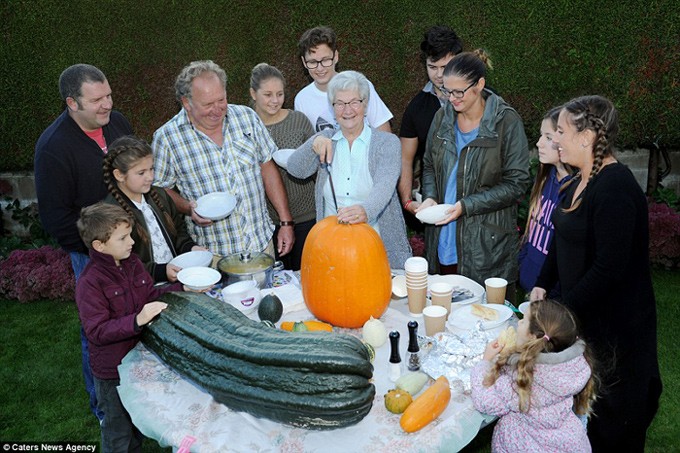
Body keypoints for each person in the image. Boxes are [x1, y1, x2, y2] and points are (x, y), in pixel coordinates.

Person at [530, 95, 662, 451]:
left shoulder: (616, 188)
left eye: (561, 131)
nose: (555, 139)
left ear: (586, 137)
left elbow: (608, 269)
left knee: (614, 428)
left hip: (617, 336)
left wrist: (562, 312)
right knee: (587, 419)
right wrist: (543, 283)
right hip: (587, 326)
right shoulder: (576, 182)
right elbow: (561, 240)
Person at [34, 63, 133, 421]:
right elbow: (55, 218)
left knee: (137, 315)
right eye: (97, 100)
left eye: (108, 95)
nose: (107, 104)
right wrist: (99, 244)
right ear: (72, 103)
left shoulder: (118, 123)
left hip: (131, 243)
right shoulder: (53, 148)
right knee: (99, 329)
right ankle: (105, 407)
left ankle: (142, 395)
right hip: (92, 256)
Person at [417, 50, 531, 301]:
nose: (452, 99)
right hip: (442, 240)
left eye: (459, 92)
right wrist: (431, 197)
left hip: (486, 247)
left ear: (480, 84)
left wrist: (466, 206)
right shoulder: (442, 116)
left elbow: (517, 183)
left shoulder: (506, 122)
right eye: (447, 91)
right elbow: (428, 165)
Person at [152, 60, 294, 258]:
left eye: (221, 100)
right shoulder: (167, 138)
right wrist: (188, 207)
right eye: (208, 104)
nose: (217, 109)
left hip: (261, 243)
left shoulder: (246, 118)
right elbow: (159, 188)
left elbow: (267, 167)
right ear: (186, 102)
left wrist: (286, 222)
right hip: (212, 254)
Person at [75, 202, 185, 452]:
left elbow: (149, 294)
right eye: (123, 238)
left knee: (139, 423)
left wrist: (183, 288)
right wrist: (137, 320)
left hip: (140, 360)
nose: (132, 242)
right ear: (99, 245)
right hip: (112, 372)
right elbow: (97, 331)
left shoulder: (132, 262)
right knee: (118, 433)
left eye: (130, 235)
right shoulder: (89, 283)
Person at [287, 71, 411, 269]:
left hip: (376, 248)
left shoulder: (387, 143)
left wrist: (365, 210)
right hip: (331, 250)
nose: (347, 110)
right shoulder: (326, 140)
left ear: (365, 104)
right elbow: (295, 169)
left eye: (354, 102)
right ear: (333, 107)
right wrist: (314, 142)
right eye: (340, 103)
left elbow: (385, 184)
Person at [471, 299, 596, 452]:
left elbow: (484, 402)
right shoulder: (574, 366)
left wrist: (484, 362)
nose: (519, 322)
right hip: (567, 439)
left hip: (524, 443)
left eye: (523, 320)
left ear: (532, 336)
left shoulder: (522, 380)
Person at [103, 136, 208, 282]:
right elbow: (120, 263)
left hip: (176, 283)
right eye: (141, 173)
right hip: (143, 291)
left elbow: (179, 231)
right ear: (119, 174)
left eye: (151, 169)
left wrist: (190, 248)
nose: (150, 177)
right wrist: (160, 272)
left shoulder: (160, 195)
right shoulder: (110, 213)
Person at [249, 63, 315, 270]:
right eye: (268, 94)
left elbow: (316, 163)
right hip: (267, 220)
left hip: (307, 214)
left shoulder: (298, 120)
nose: (275, 100)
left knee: (307, 275)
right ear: (253, 93)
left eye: (280, 94)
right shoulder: (245, 126)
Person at [400, 26, 463, 222]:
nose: (438, 74)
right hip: (436, 199)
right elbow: (405, 159)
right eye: (432, 67)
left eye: (445, 67)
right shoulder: (416, 108)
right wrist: (408, 201)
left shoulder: (484, 98)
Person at [294, 26, 393, 133]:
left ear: (336, 56)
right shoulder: (302, 99)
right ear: (304, 62)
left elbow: (384, 133)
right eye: (313, 62)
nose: (320, 68)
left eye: (325, 60)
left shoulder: (360, 86)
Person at [518, 107, 573, 295]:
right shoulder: (545, 178)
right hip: (531, 285)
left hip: (556, 293)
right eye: (542, 136)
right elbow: (532, 232)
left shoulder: (574, 191)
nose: (539, 143)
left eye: (548, 138)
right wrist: (523, 267)